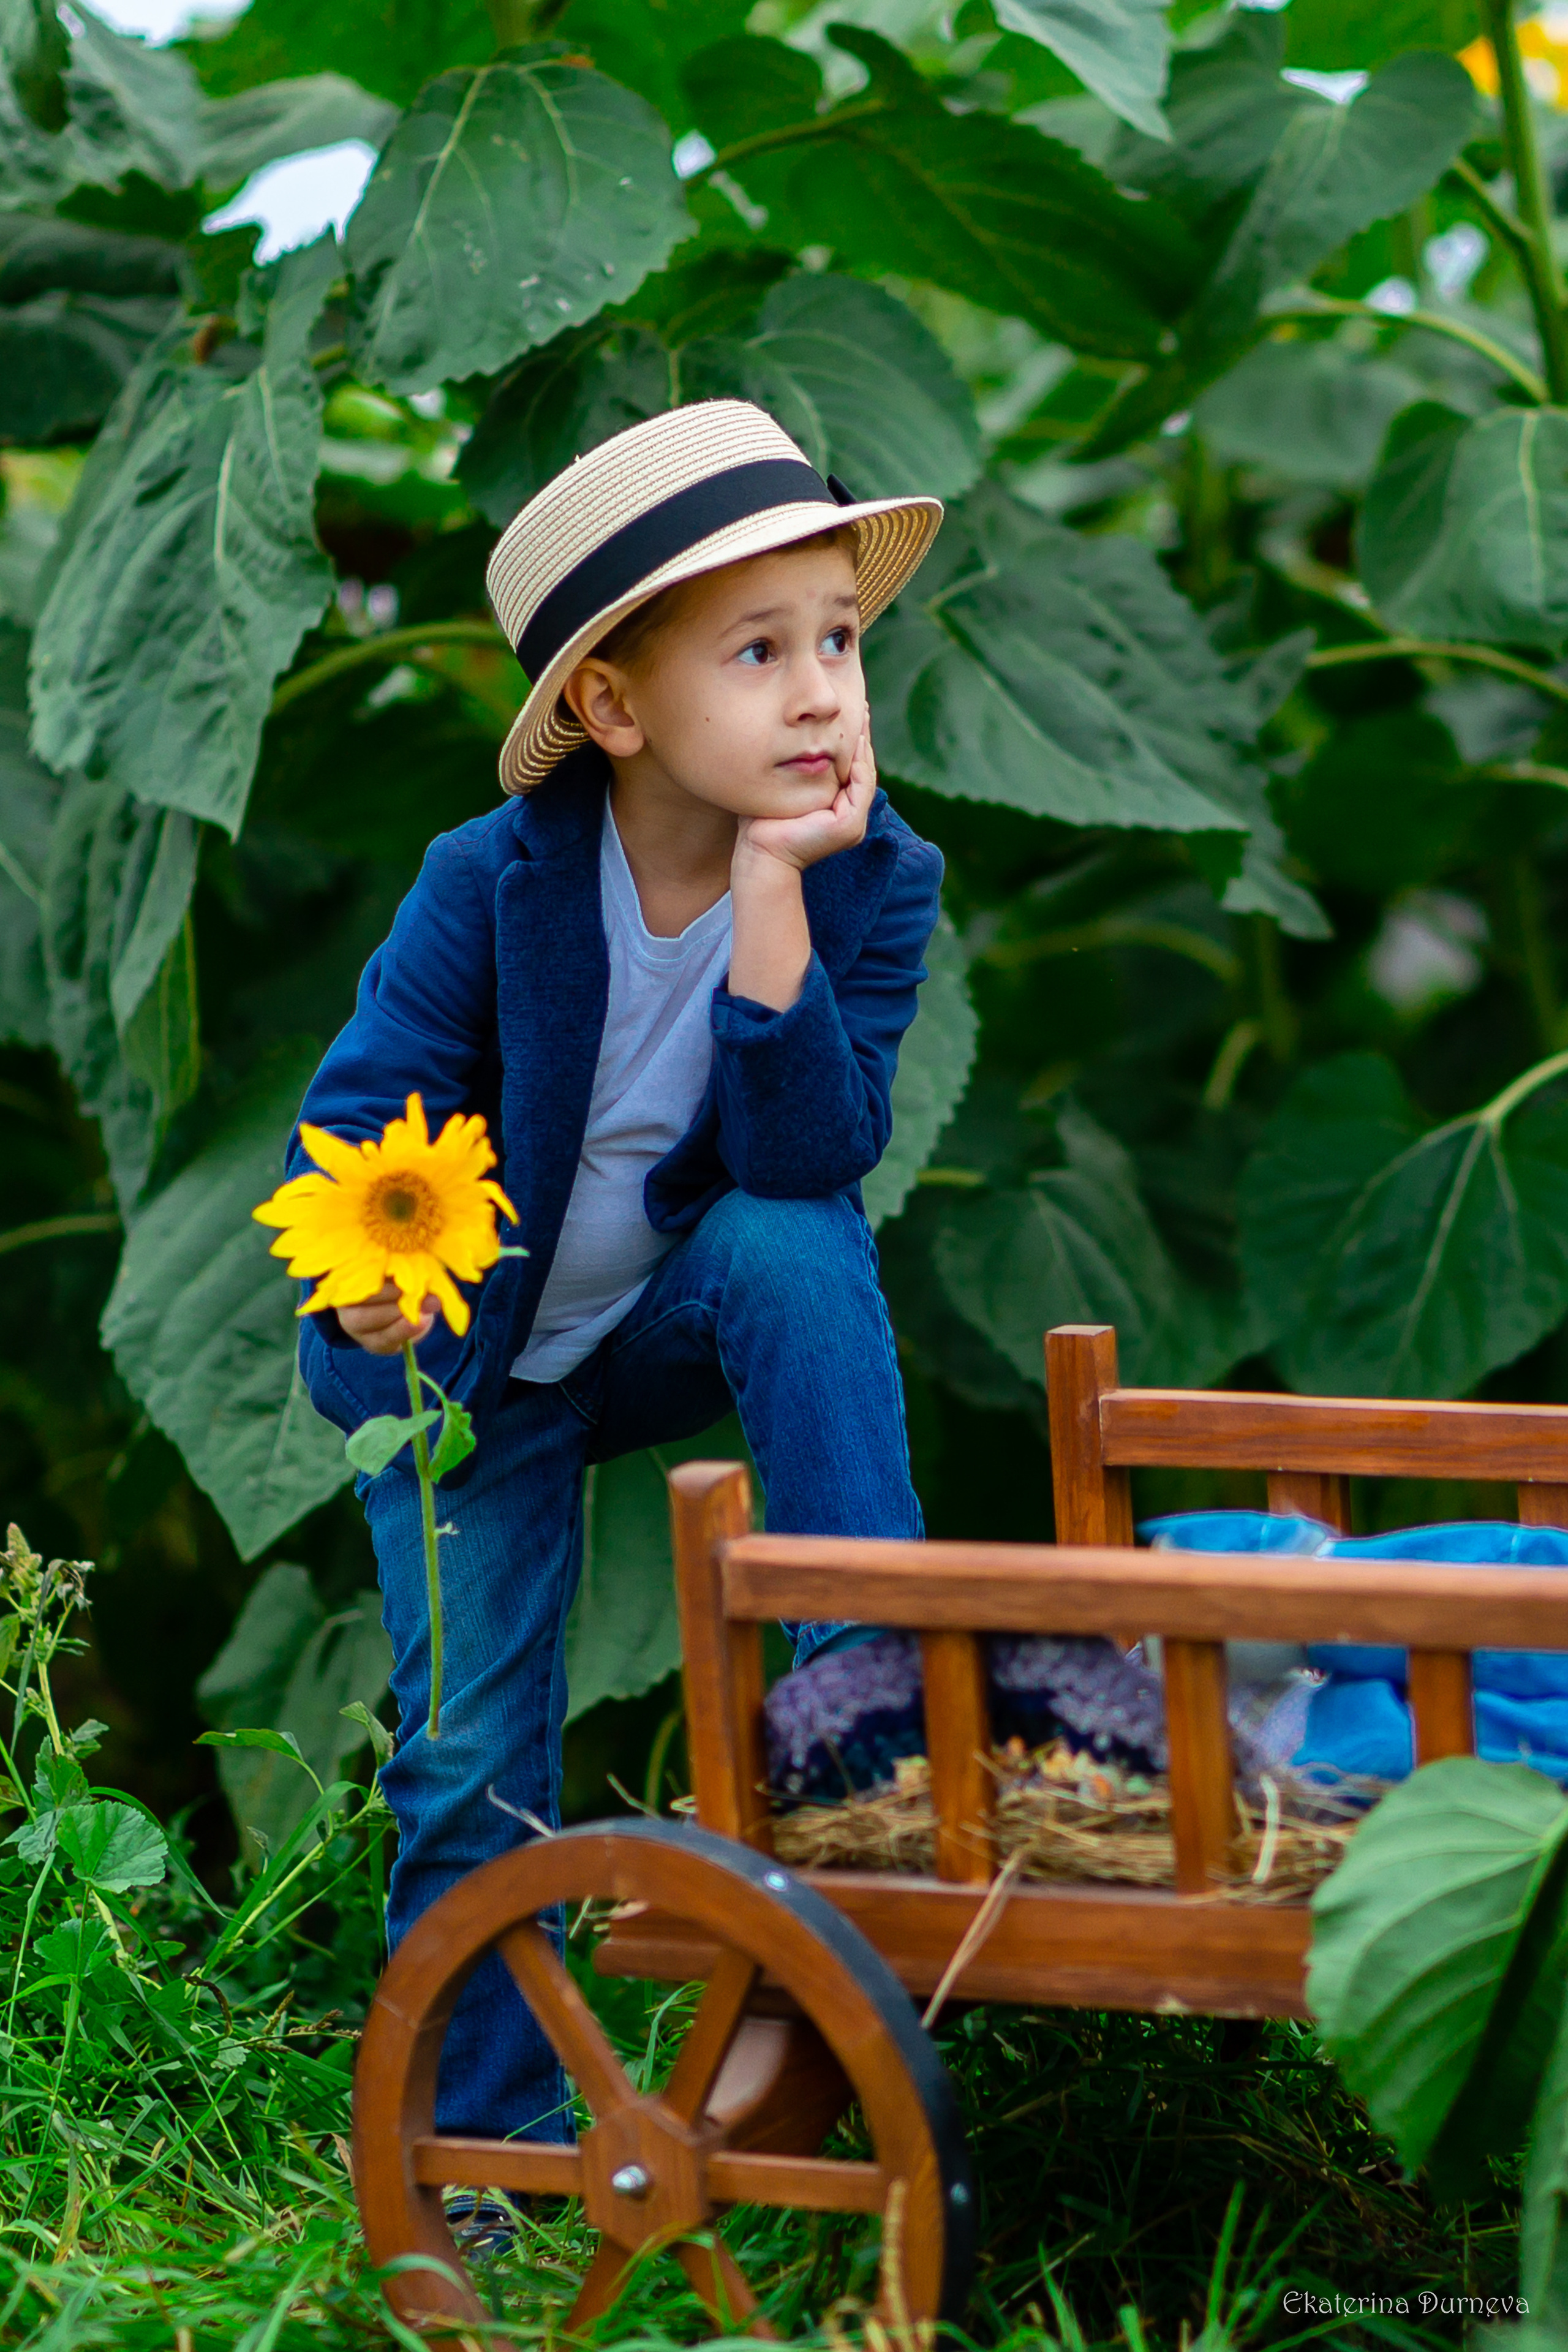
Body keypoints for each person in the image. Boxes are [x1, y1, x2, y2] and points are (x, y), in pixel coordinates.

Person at [287, 399, 947, 2150]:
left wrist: (777, 904)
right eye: (760, 652)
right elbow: (361, 1125)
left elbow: (814, 1152)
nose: (823, 693)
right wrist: (367, 1290)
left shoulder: (875, 882)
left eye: (839, 641)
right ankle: (484, 2151)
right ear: (611, 704)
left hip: (664, 1315)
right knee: (469, 1753)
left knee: (793, 1236)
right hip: (471, 1366)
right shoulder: (488, 885)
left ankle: (870, 1704)